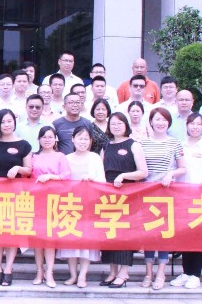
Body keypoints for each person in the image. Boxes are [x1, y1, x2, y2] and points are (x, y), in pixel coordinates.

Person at [170, 112, 202, 290]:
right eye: (192, 123)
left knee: (198, 235)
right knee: (185, 235)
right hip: (182, 197)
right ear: (187, 125)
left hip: (201, 198)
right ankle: (186, 272)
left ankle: (195, 274)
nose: (195, 127)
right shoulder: (180, 145)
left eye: (199, 124)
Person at [139, 107, 187, 290]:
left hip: (167, 192)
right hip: (147, 193)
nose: (160, 123)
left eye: (164, 120)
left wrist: (171, 174)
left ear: (169, 123)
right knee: (149, 233)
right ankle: (148, 272)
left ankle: (161, 272)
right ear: (151, 122)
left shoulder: (175, 143)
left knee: (163, 233)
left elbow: (183, 168)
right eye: (157, 119)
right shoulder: (142, 143)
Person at [101, 112, 149, 288]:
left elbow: (143, 172)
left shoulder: (134, 145)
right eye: (113, 123)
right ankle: (112, 271)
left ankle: (124, 273)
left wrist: (123, 175)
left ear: (126, 125)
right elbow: (101, 170)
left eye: (119, 123)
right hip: (108, 195)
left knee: (125, 234)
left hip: (128, 195)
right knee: (110, 233)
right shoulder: (106, 146)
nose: (116, 126)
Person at [0, 109, 32, 286]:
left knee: (12, 233)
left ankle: (8, 269)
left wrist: (18, 169)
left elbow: (29, 170)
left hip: (16, 195)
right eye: (3, 122)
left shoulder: (24, 145)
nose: (6, 125)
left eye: (9, 121)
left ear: (14, 122)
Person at [59, 126, 105, 287]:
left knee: (87, 242)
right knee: (71, 240)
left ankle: (83, 276)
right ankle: (73, 275)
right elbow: (62, 181)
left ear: (91, 141)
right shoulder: (66, 158)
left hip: (89, 205)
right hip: (70, 204)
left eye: (86, 139)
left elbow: (103, 181)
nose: (83, 142)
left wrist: (92, 179)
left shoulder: (95, 158)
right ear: (73, 139)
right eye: (80, 138)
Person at [28, 124, 72, 287]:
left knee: (49, 238)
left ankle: (50, 273)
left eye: (50, 137)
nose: (47, 140)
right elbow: (28, 176)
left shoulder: (60, 156)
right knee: (37, 239)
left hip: (54, 200)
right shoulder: (34, 156)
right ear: (39, 139)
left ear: (55, 139)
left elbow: (67, 175)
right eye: (44, 137)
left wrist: (51, 177)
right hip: (36, 200)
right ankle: (39, 271)